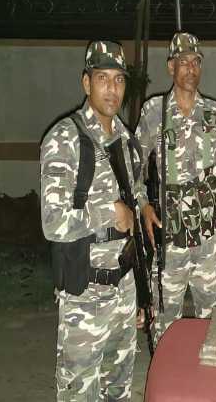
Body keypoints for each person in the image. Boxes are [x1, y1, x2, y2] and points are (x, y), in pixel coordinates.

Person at [40, 40, 147, 401]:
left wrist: (139, 293)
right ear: (86, 83)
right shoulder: (65, 139)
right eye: (103, 78)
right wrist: (107, 212)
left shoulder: (127, 140)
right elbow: (52, 222)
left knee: (119, 390)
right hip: (85, 297)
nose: (112, 88)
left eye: (119, 80)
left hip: (124, 290)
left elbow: (134, 211)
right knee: (80, 393)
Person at [135, 32, 216, 345]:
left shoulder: (214, 113)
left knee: (211, 323)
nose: (190, 68)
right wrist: (143, 205)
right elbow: (133, 165)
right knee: (165, 321)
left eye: (195, 62)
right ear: (170, 67)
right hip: (170, 239)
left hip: (208, 239)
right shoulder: (154, 111)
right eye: (183, 62)